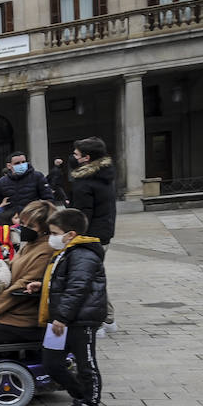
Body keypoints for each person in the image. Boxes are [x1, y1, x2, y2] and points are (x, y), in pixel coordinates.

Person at [32, 207, 107, 406]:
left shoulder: (83, 254)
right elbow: (63, 283)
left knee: (86, 364)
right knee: (52, 362)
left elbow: (77, 288)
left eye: (55, 233)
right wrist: (42, 286)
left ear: (71, 234)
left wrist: (62, 317)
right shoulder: (65, 252)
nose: (51, 237)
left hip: (80, 320)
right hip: (62, 319)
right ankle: (80, 396)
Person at [0, 200, 55, 351]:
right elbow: (12, 267)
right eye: (23, 223)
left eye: (31, 226)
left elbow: (23, 283)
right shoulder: (30, 244)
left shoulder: (46, 249)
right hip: (11, 309)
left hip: (23, 315)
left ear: (45, 228)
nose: (25, 229)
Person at [68, 136, 118, 333]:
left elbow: (82, 215)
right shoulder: (104, 175)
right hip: (104, 232)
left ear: (86, 158)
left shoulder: (85, 181)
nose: (73, 156)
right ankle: (108, 318)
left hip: (89, 235)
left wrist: (73, 236)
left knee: (87, 278)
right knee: (93, 275)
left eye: (77, 154)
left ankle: (100, 320)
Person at [0, 152, 53, 227]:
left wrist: (39, 215)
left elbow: (48, 199)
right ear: (9, 166)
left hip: (34, 222)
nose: (21, 165)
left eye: (23, 162)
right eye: (17, 163)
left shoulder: (37, 176)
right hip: (12, 225)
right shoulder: (2, 182)